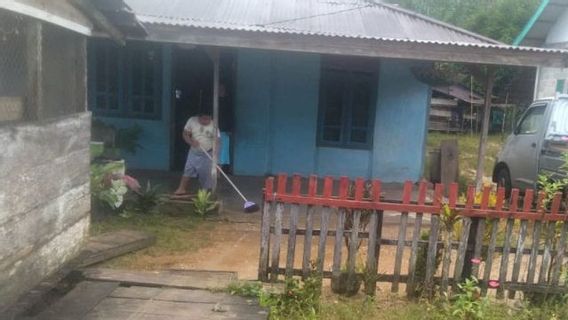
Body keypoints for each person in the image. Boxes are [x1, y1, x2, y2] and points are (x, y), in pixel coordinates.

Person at [174, 112, 219, 195]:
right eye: (204, 119)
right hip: (194, 152)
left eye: (208, 119)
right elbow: (185, 134)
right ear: (199, 117)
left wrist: (216, 157)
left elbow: (217, 141)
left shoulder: (214, 125)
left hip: (208, 153)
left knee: (205, 174)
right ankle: (181, 189)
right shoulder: (192, 120)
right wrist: (191, 142)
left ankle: (205, 193)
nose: (206, 121)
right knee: (188, 169)